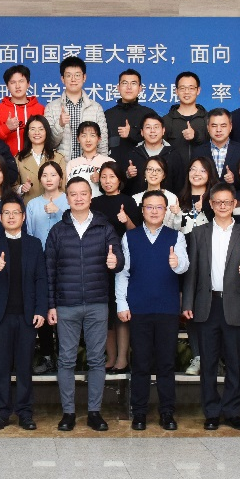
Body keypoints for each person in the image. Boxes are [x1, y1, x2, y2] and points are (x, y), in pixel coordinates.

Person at [44, 177, 122, 432]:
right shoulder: (58, 231)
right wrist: (51, 305)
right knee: (66, 360)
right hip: (66, 304)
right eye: (73, 194)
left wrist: (115, 262)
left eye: (83, 193)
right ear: (67, 198)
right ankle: (68, 413)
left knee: (97, 360)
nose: (78, 198)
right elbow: (49, 270)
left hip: (97, 303)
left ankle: (94, 412)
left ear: (91, 197)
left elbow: (119, 259)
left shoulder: (104, 227)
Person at [181, 183, 240, 431]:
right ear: (211, 204)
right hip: (207, 304)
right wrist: (187, 302)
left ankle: (233, 412)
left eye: (227, 202)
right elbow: (192, 272)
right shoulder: (198, 234)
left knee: (235, 363)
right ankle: (212, 412)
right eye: (218, 202)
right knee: (209, 363)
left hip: (234, 305)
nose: (223, 206)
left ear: (234, 204)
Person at [118, 189, 190, 431]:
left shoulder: (176, 236)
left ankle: (167, 412)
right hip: (139, 308)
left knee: (166, 363)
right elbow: (123, 273)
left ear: (166, 210)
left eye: (159, 207)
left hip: (167, 309)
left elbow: (185, 265)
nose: (154, 211)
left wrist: (177, 263)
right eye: (149, 207)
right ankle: (139, 412)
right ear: (142, 210)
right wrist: (122, 303)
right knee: (140, 363)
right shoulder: (130, 237)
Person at [0, 197, 48, 430]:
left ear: (23, 217)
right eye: (6, 213)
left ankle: (25, 413)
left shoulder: (34, 244)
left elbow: (41, 278)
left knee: (24, 367)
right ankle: (1, 413)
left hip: (27, 316)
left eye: (15, 212)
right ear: (0, 218)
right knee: (1, 366)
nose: (11, 217)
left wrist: (41, 309)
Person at [89, 160, 141, 374]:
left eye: (112, 176)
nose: (107, 181)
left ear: (120, 179)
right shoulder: (94, 202)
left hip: (123, 262)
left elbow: (137, 232)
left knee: (121, 309)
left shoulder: (128, 201)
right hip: (98, 263)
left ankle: (122, 359)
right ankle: (110, 358)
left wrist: (126, 219)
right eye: (104, 177)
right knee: (106, 312)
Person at [45, 57, 109, 160]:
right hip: (61, 167)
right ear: (62, 79)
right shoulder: (51, 108)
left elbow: (103, 144)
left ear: (84, 77)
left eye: (77, 75)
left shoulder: (96, 108)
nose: (73, 79)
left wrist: (102, 165)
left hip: (89, 167)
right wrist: (60, 125)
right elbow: (49, 144)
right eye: (68, 75)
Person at [0, 64, 46, 157]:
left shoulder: (40, 109)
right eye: (13, 82)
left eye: (21, 81)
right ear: (7, 86)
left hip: (35, 162)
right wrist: (6, 128)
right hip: (5, 161)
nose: (17, 86)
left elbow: (47, 137)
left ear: (28, 84)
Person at [122, 113, 181, 196]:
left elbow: (179, 185)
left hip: (167, 202)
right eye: (148, 127)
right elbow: (122, 187)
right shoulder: (132, 154)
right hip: (138, 202)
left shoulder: (173, 155)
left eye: (156, 127)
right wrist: (128, 175)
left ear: (163, 130)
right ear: (142, 132)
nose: (152, 131)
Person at [162, 71, 211, 170]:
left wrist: (195, 136)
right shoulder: (166, 120)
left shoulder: (208, 119)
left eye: (191, 88)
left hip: (202, 175)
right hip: (174, 175)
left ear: (198, 90)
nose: (187, 92)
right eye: (182, 88)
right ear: (176, 91)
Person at [15, 115, 66, 204]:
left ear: (47, 132)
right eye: (32, 129)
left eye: (41, 129)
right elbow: (12, 186)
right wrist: (21, 188)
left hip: (54, 207)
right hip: (28, 207)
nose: (37, 133)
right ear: (27, 133)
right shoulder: (19, 159)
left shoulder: (58, 158)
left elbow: (64, 187)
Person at [104, 68, 148, 160]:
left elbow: (156, 142)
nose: (129, 87)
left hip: (142, 166)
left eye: (133, 83)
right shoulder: (107, 115)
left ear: (140, 88)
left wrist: (131, 134)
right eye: (124, 83)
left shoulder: (148, 114)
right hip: (112, 167)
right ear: (118, 87)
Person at [132, 156, 182, 231]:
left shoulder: (171, 198)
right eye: (150, 169)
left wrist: (178, 214)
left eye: (158, 170)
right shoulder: (135, 199)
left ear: (164, 175)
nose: (154, 173)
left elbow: (175, 229)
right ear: (144, 173)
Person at [64, 121, 113, 197]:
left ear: (99, 139)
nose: (88, 140)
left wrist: (101, 179)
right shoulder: (71, 164)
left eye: (92, 135)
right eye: (84, 136)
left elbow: (116, 188)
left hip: (103, 203)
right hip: (78, 203)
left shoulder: (109, 162)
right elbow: (68, 190)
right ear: (78, 139)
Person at [26, 159, 70, 242]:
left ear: (60, 179)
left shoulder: (69, 201)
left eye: (53, 175)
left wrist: (58, 211)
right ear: (40, 180)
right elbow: (29, 233)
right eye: (44, 175)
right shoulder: (32, 204)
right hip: (39, 249)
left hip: (64, 249)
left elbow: (74, 228)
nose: (49, 179)